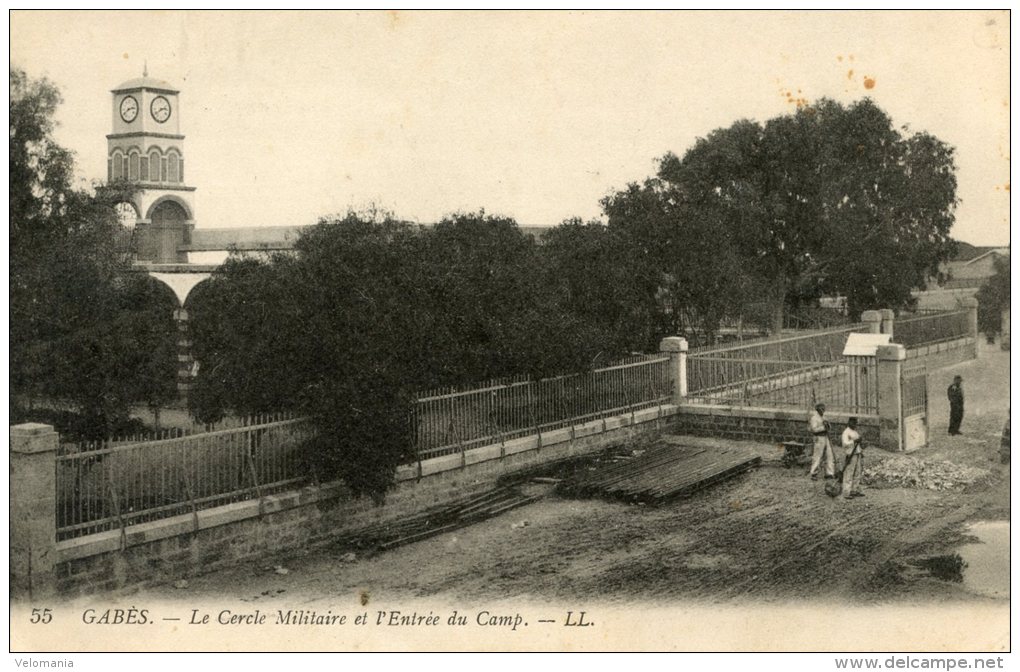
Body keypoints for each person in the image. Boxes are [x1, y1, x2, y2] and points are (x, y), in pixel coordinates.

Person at [808, 403, 835, 480]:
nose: (823, 410)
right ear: (817, 409)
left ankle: (829, 473)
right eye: (821, 409)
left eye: (824, 408)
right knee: (817, 456)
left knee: (829, 455)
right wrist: (823, 427)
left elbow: (829, 426)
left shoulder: (824, 417)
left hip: (826, 437)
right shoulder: (814, 418)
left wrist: (828, 425)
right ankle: (814, 473)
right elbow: (814, 429)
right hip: (819, 438)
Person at [841, 417, 865, 499]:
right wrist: (854, 441)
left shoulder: (855, 432)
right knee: (849, 473)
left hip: (857, 453)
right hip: (850, 454)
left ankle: (854, 490)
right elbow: (845, 443)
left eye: (856, 423)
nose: (855, 425)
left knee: (857, 473)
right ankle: (846, 492)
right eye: (853, 423)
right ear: (849, 423)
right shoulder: (846, 432)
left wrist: (861, 451)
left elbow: (858, 444)